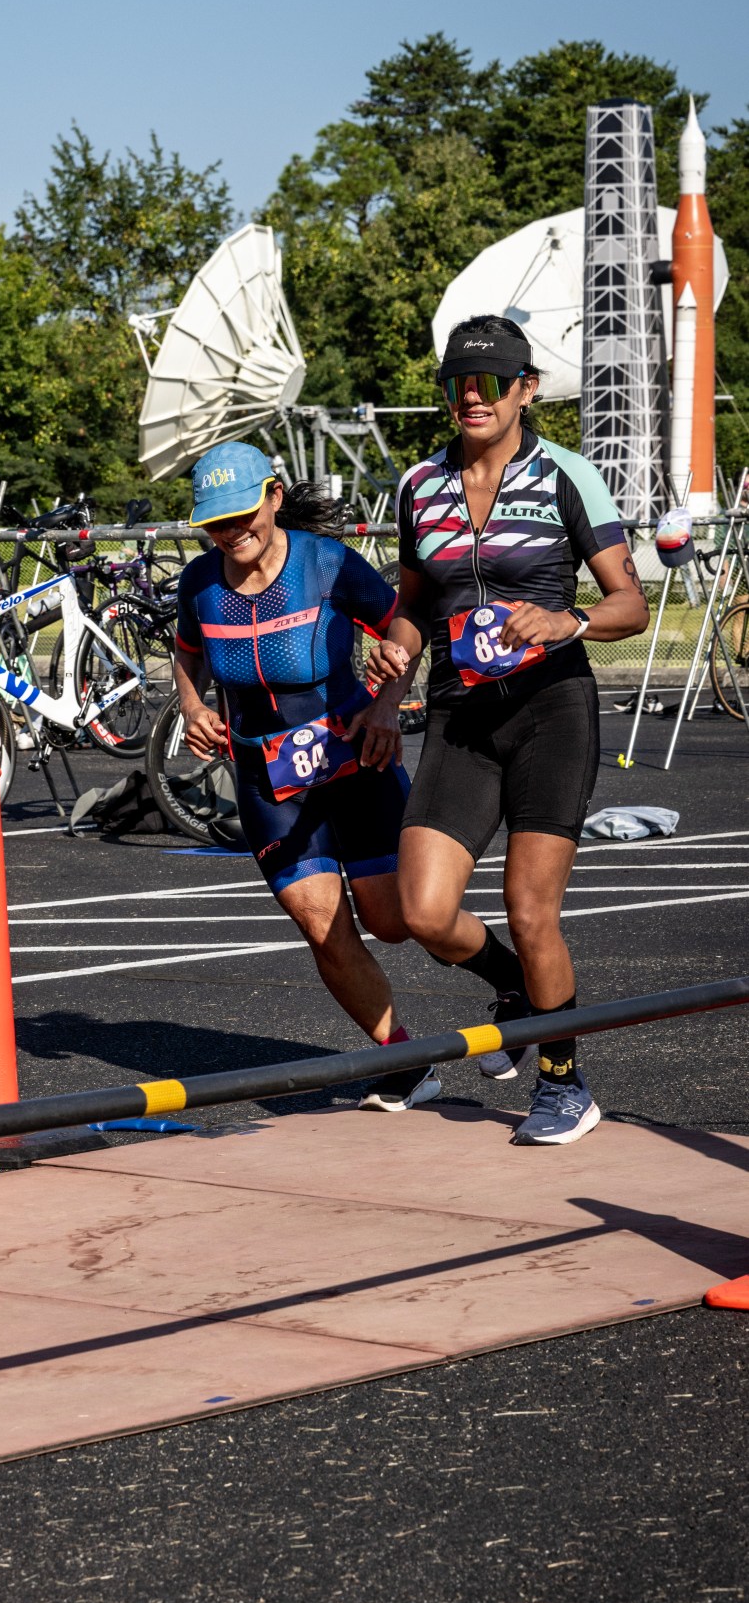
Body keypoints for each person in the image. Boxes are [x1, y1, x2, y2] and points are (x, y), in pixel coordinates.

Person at [365, 315, 649, 1146]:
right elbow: (414, 603)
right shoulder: (418, 485)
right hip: (460, 713)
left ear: (526, 388)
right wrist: (393, 660)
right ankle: (515, 988)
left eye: (490, 382)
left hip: (548, 712)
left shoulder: (566, 474)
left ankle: (564, 1080)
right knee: (422, 910)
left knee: (529, 911)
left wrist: (568, 621)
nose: (471, 397)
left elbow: (628, 603)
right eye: (457, 382)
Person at [173, 440, 434, 1111]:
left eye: (242, 515)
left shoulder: (326, 563)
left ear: (274, 495)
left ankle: (503, 980)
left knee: (393, 919)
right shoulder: (199, 583)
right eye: (215, 523)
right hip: (268, 778)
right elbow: (186, 652)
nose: (231, 533)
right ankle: (401, 1058)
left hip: (352, 756)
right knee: (320, 924)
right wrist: (194, 705)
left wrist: (383, 707)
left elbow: (405, 630)